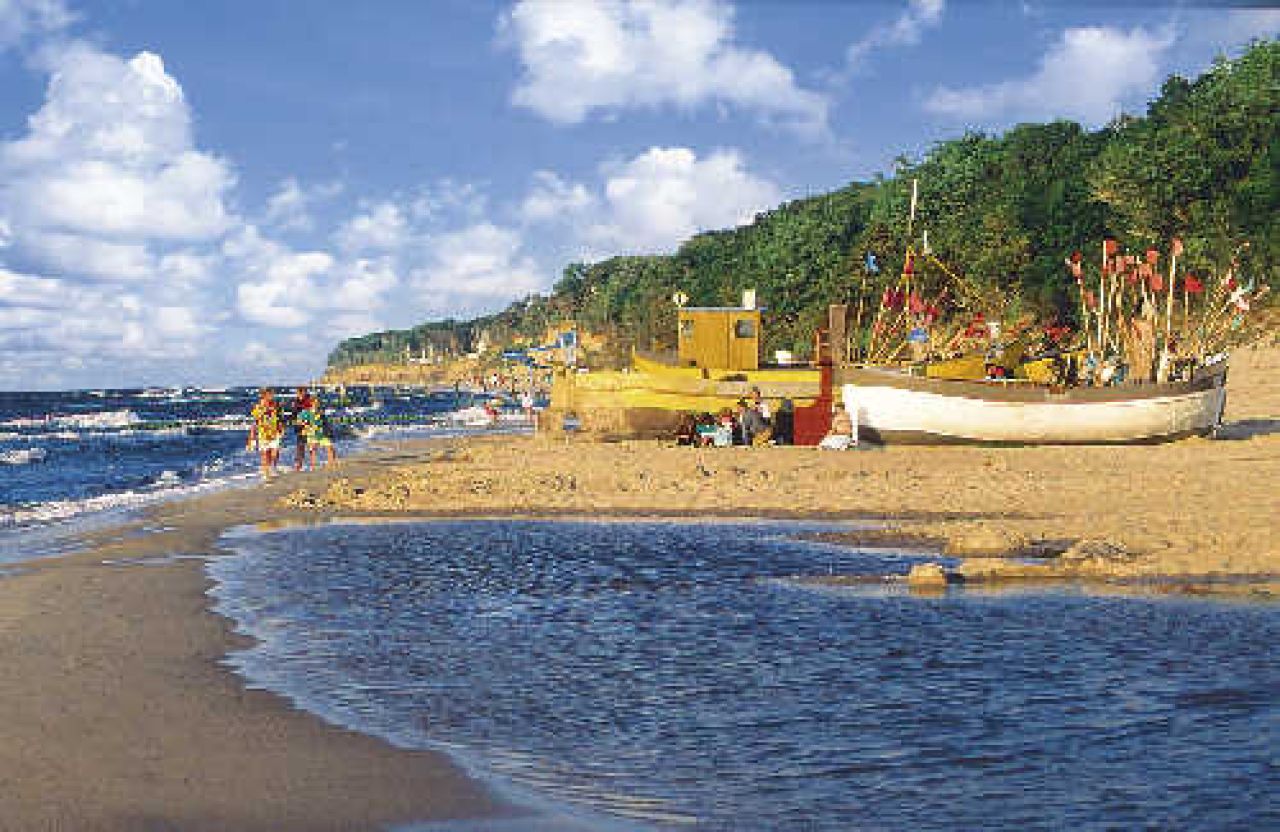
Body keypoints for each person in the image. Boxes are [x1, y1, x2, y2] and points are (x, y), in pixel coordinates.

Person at [246, 388, 284, 478]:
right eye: (270, 395)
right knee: (265, 454)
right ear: (264, 395)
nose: (272, 396)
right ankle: (266, 474)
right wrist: (251, 436)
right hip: (263, 433)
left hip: (275, 432)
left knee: (275, 453)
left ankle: (272, 468)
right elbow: (255, 422)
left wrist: (282, 428)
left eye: (272, 395)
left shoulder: (276, 405)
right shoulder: (258, 407)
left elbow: (280, 419)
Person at [288, 386, 315, 471]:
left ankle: (312, 464)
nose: (300, 394)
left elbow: (314, 411)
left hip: (310, 426)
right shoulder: (296, 402)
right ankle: (299, 465)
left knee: (311, 446)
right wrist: (294, 422)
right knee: (300, 446)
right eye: (299, 392)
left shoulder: (310, 400)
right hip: (299, 427)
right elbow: (293, 415)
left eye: (302, 392)